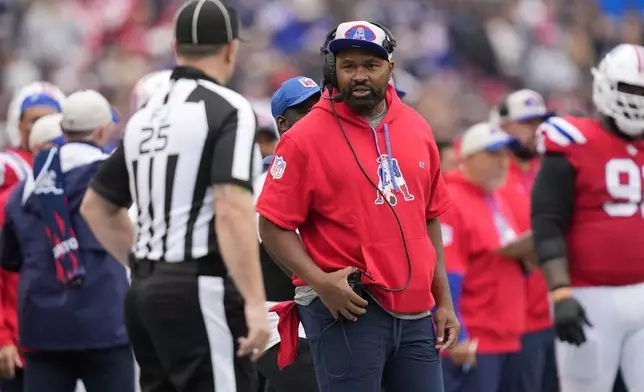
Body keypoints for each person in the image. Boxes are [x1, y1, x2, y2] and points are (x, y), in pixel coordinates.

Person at [257, 21, 459, 392]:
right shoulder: (303, 138)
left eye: (371, 65)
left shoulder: (417, 128)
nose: (360, 76)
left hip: (416, 313)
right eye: (349, 66)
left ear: (390, 70)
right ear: (333, 70)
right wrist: (320, 282)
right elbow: (272, 225)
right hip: (349, 311)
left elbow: (429, 217)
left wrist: (443, 300)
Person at [81, 2, 269, 391]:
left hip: (145, 293)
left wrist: (145, 265)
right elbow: (231, 207)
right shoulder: (229, 108)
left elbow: (96, 206)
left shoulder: (145, 115)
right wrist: (254, 301)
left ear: (175, 46)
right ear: (231, 49)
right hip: (201, 287)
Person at [0, 89, 134, 392]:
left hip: (40, 325)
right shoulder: (112, 172)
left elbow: (9, 256)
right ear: (102, 129)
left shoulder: (25, 188)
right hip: (104, 320)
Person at [531, 43, 644, 392]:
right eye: (629, 90)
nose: (637, 100)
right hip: (589, 297)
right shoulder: (572, 139)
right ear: (605, 86)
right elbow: (547, 219)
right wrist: (560, 292)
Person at [253, 76, 321, 392]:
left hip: (309, 320)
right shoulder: (267, 178)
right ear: (283, 122)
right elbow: (287, 255)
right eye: (304, 111)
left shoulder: (322, 170)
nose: (318, 116)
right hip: (274, 323)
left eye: (320, 107)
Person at [494, 90, 558, 392]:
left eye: (540, 122)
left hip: (553, 312)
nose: (536, 131)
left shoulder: (544, 172)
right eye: (527, 123)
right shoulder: (493, 178)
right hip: (515, 321)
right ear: (504, 127)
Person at [0, 91, 64, 195]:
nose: (42, 125)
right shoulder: (9, 163)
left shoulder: (71, 159)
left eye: (49, 119)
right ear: (20, 125)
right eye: (35, 120)